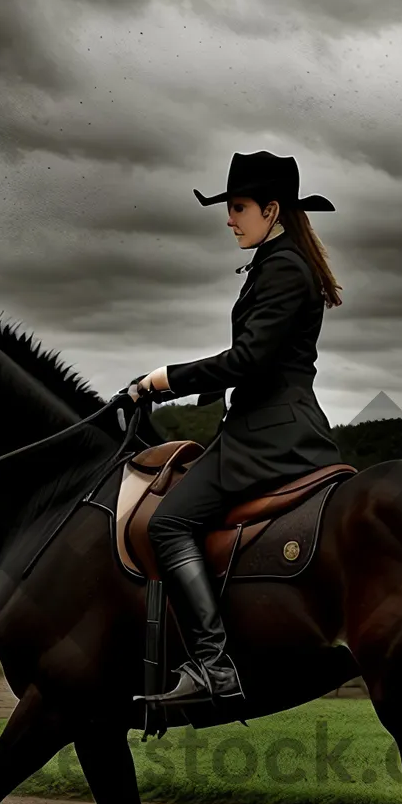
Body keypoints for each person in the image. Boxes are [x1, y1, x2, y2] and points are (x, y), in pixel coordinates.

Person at [128, 150, 345, 706]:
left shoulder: (283, 268)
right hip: (271, 424)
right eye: (229, 207)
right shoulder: (284, 262)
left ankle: (212, 666)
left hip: (268, 434)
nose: (230, 218)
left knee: (168, 523)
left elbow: (249, 357)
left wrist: (162, 380)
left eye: (239, 207)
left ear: (272, 210)